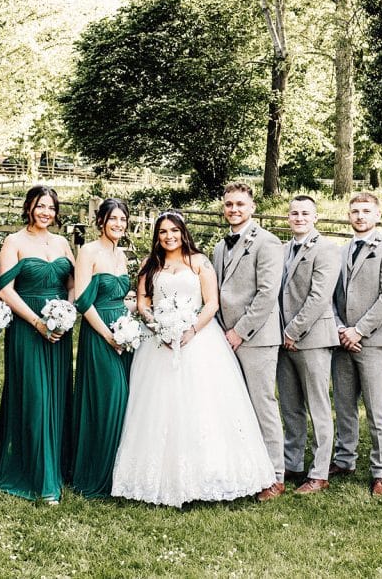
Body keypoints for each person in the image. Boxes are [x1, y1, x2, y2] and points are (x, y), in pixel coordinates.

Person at [111, 211, 275, 508]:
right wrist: (156, 324)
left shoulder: (199, 262)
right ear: (157, 236)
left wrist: (190, 330)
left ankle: (211, 474)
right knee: (158, 406)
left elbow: (211, 302)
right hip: (159, 342)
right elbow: (142, 302)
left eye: (174, 230)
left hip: (199, 340)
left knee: (203, 405)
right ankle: (159, 476)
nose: (169, 236)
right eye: (162, 232)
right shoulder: (151, 264)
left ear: (183, 232)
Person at [0, 185, 75, 503]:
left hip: (59, 331)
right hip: (27, 328)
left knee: (56, 395)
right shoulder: (14, 242)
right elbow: (6, 290)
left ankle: (57, 464)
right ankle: (41, 476)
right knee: (35, 396)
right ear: (29, 208)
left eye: (51, 208)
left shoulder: (63, 242)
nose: (46, 213)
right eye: (40, 206)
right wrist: (38, 322)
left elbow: (72, 283)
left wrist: (67, 311)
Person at [211, 182, 286, 502]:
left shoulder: (268, 243)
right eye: (229, 204)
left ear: (252, 207)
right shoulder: (218, 247)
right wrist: (218, 331)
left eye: (240, 204)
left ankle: (276, 475)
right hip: (223, 337)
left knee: (262, 404)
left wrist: (240, 331)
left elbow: (268, 293)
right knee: (234, 406)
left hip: (255, 337)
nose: (234, 209)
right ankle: (244, 469)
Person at [331, 192, 382, 496]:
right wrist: (338, 328)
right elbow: (331, 295)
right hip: (342, 340)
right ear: (348, 215)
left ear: (377, 215)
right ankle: (345, 458)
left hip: (372, 340)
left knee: (377, 408)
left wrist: (358, 331)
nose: (360, 216)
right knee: (344, 404)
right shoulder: (340, 250)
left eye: (366, 211)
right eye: (355, 211)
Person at [276, 195, 342, 494]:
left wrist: (293, 330)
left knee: (317, 405)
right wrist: (282, 333)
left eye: (305, 213)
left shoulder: (327, 249)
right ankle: (293, 463)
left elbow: (319, 296)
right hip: (283, 339)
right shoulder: (282, 249)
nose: (299, 217)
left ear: (315, 217)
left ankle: (319, 472)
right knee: (290, 407)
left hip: (312, 337)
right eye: (294, 213)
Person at [70, 198, 132, 498]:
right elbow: (82, 300)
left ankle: (122, 472)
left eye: (123, 219)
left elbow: (123, 295)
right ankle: (98, 473)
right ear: (101, 221)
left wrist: (128, 325)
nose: (118, 224)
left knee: (127, 400)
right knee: (110, 398)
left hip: (125, 332)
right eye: (113, 219)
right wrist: (109, 336)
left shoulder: (121, 254)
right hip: (100, 333)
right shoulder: (88, 252)